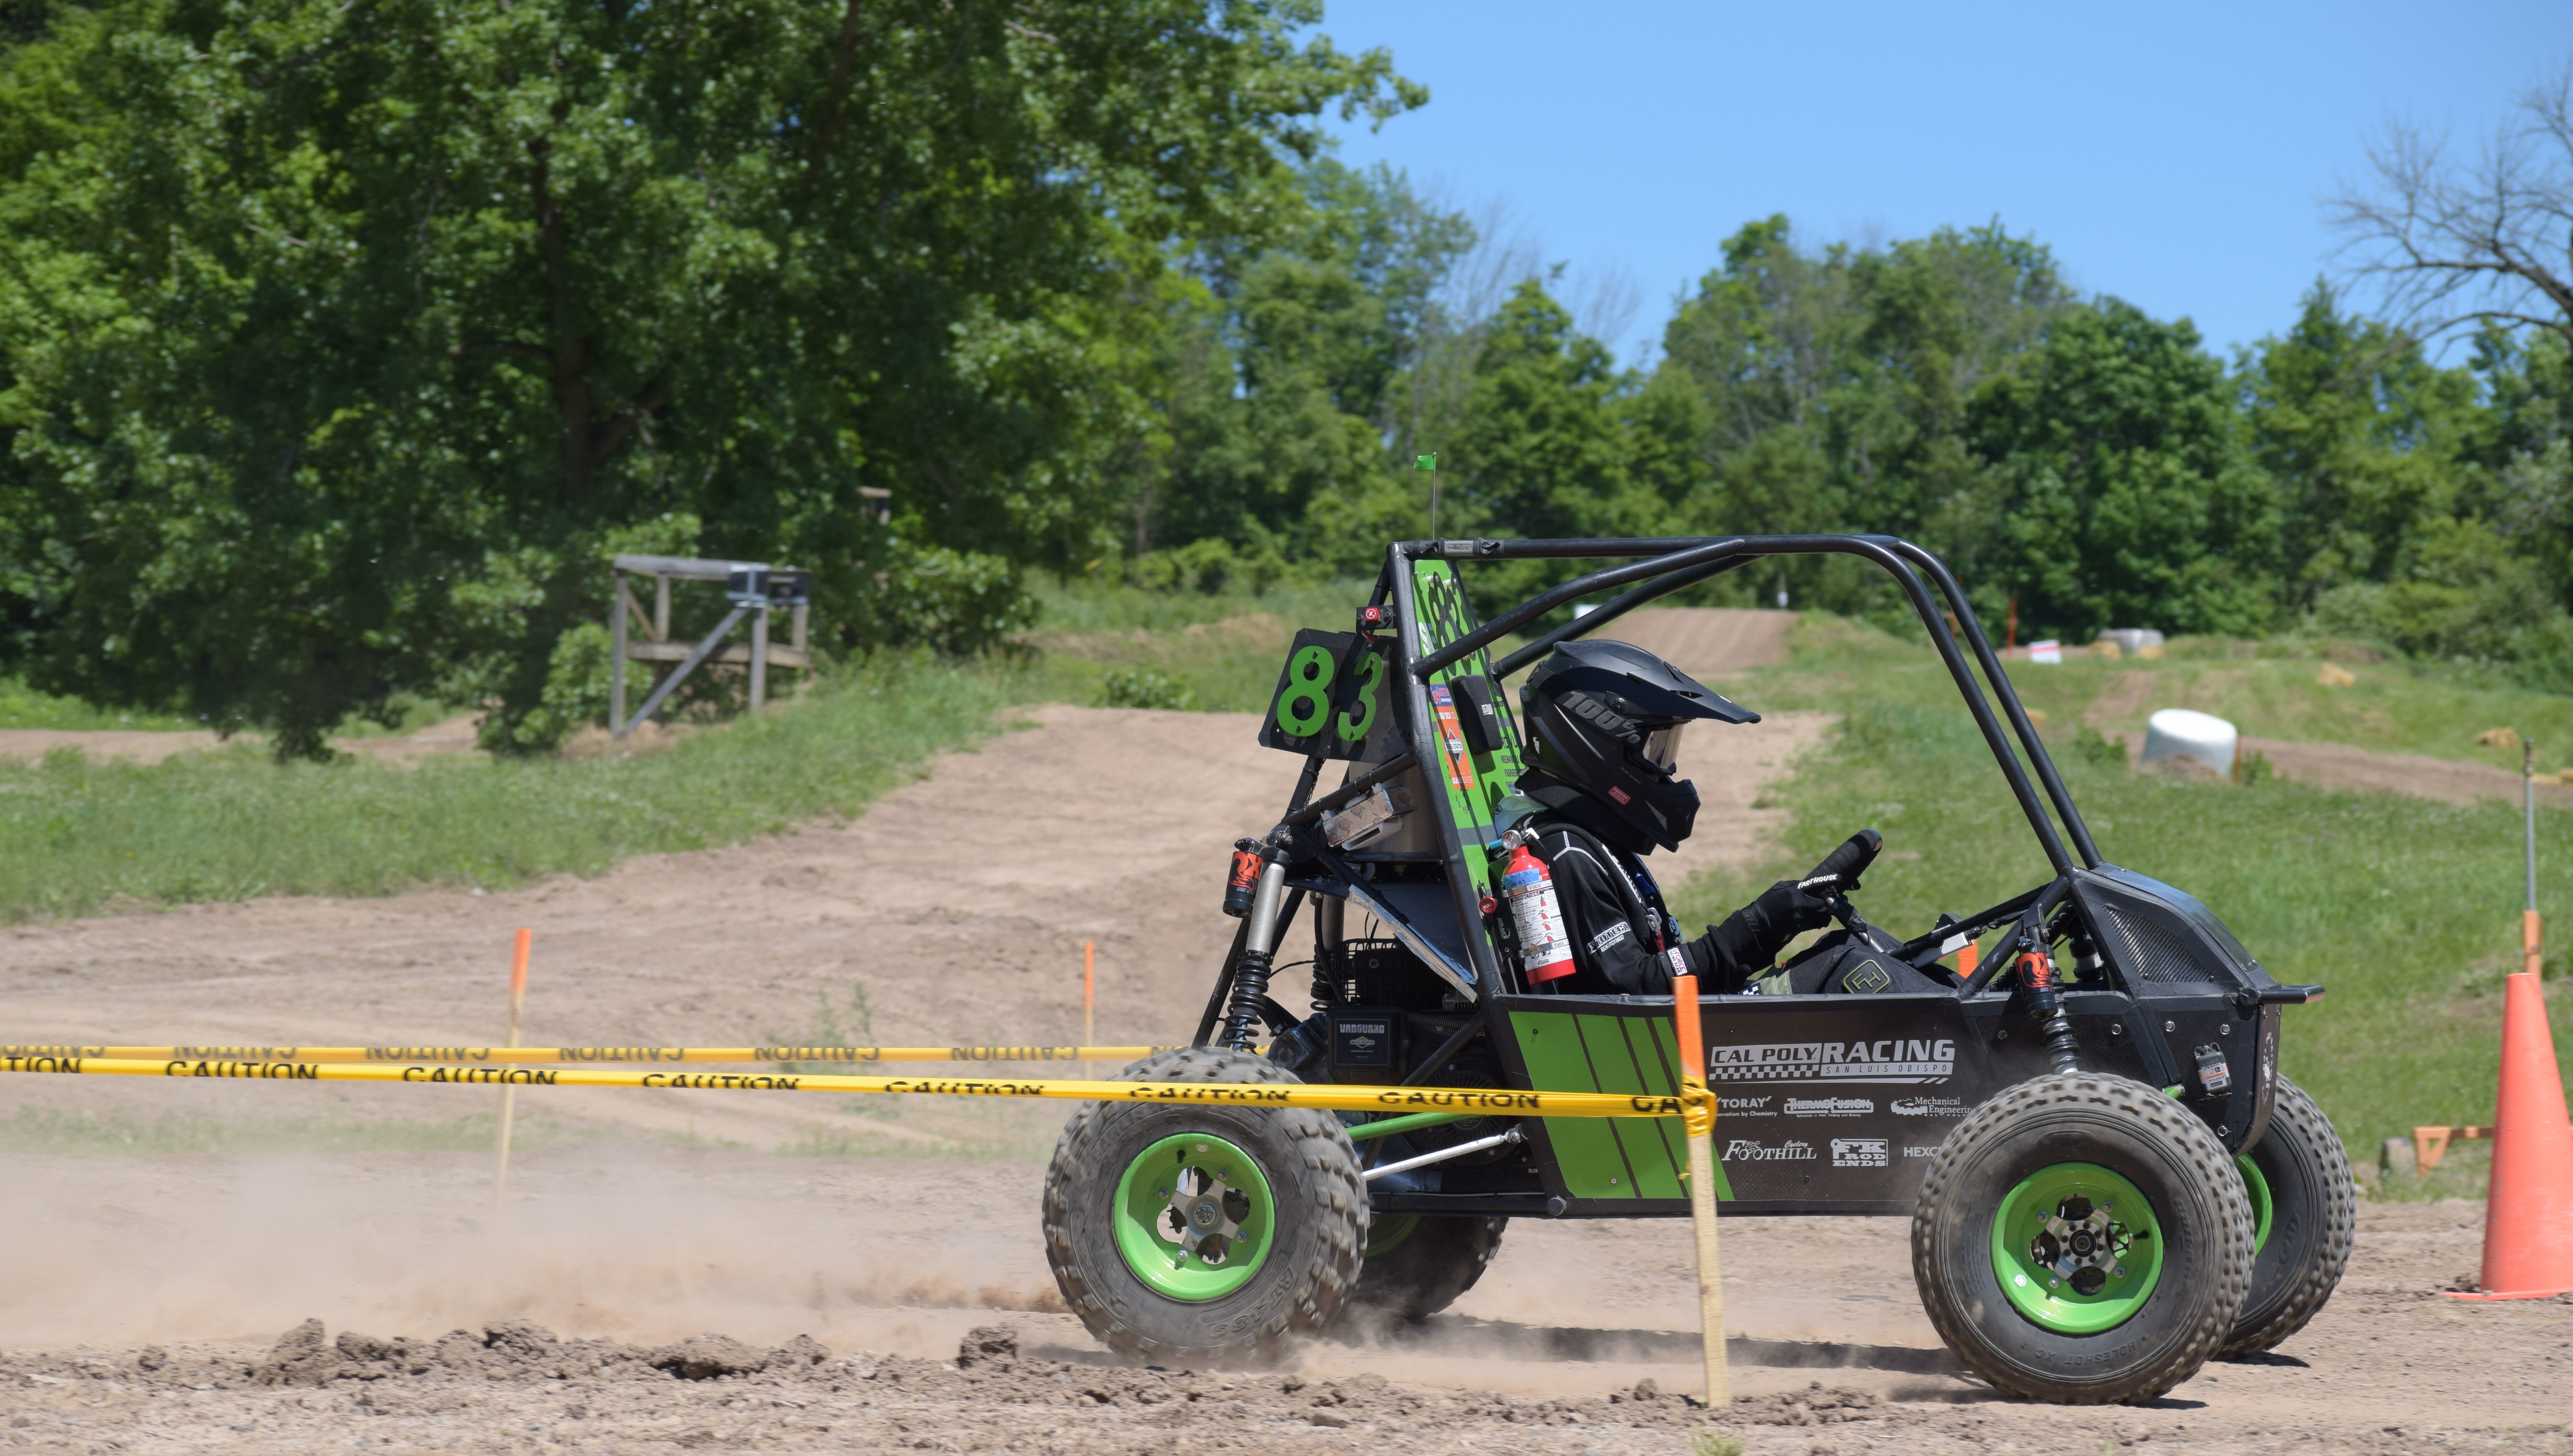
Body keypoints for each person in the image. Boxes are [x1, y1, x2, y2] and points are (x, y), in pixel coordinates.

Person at [1508, 639, 1882, 996]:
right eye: (1655, 750)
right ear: (1598, 745)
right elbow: (1634, 988)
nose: (1664, 770)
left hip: (1676, 1031)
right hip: (1649, 1052)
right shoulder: (1566, 852)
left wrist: (1773, 925)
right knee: (1852, 972)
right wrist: (1758, 926)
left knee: (1844, 959)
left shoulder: (1594, 840)